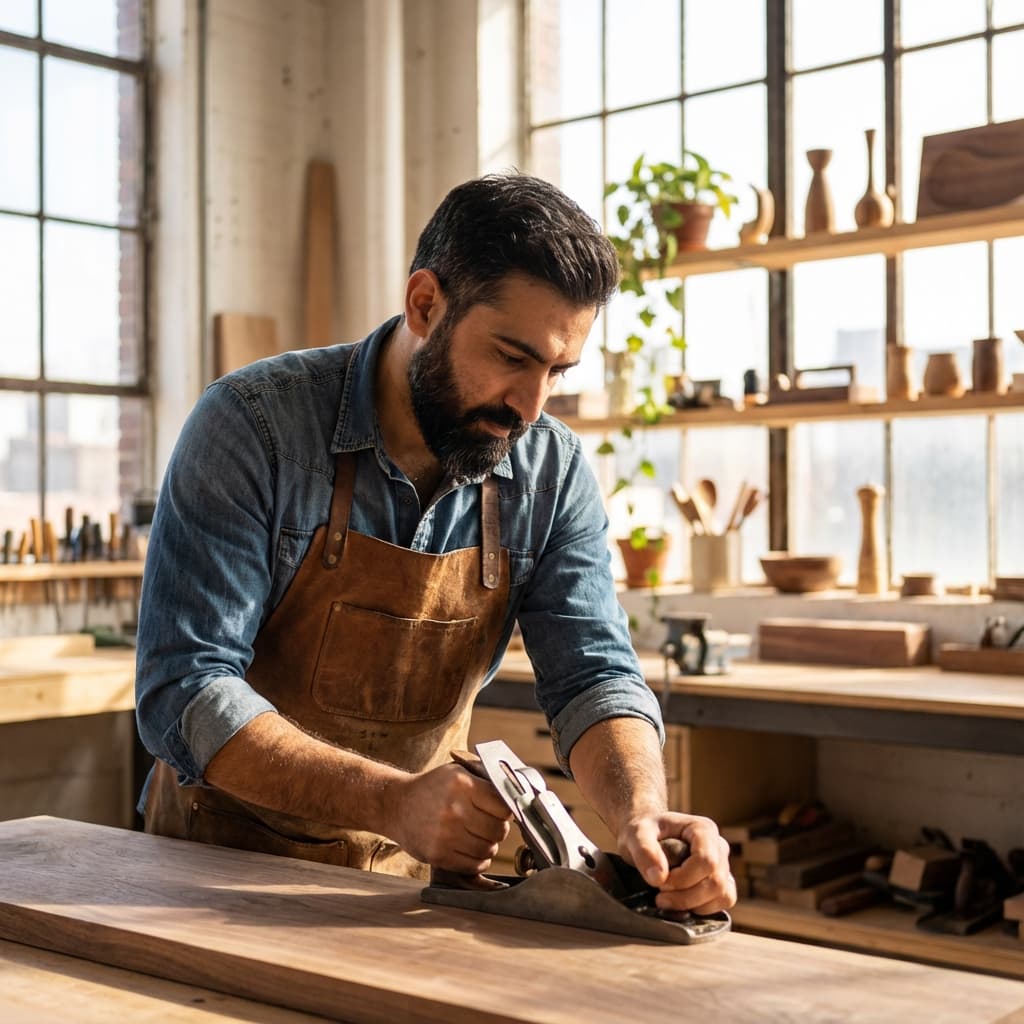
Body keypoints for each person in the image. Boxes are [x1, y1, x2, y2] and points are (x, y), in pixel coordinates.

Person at [135, 172, 735, 915]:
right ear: (425, 304)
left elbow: (592, 676)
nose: (530, 406)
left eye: (557, 371)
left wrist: (641, 811)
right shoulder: (253, 427)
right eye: (512, 357)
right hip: (207, 878)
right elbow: (184, 689)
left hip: (404, 888)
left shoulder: (549, 469)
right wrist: (393, 802)